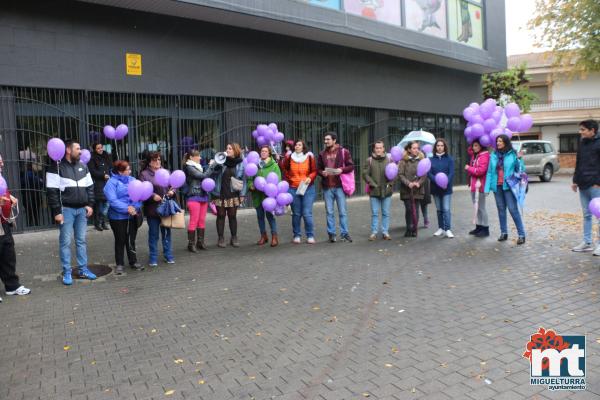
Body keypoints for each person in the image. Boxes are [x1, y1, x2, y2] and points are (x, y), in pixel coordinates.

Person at [46, 139, 97, 285]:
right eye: (78, 148)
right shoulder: (55, 167)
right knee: (65, 242)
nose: (80, 151)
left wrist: (90, 204)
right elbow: (52, 192)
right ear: (68, 150)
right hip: (66, 210)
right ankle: (67, 272)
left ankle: (83, 269)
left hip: (82, 210)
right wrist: (57, 211)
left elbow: (90, 188)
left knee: (81, 241)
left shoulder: (83, 166)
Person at [485, 134, 526, 245]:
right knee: (501, 210)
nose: (498, 143)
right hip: (497, 186)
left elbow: (520, 169)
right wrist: (487, 188)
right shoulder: (493, 155)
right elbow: (489, 172)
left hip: (509, 186)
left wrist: (519, 159)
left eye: (500, 141)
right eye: (497, 141)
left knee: (513, 209)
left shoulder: (512, 154)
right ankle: (504, 233)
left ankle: (521, 234)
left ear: (505, 143)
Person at [0, 154, 31, 302]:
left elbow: (3, 192)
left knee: (8, 254)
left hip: (3, 223)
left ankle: (12, 286)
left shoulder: (1, 177)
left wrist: (10, 197)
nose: (2, 163)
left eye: (1, 159)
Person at [103, 160, 143, 275]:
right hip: (117, 217)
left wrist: (134, 207)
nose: (130, 171)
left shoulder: (133, 180)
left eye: (129, 169)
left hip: (132, 215)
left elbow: (139, 196)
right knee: (120, 240)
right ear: (120, 171)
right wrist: (127, 208)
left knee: (131, 239)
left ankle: (133, 261)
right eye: (127, 169)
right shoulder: (111, 183)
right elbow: (113, 200)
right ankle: (119, 264)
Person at [139, 152, 176, 266]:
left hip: (165, 208)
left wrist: (172, 191)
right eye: (155, 160)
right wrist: (152, 195)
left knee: (166, 233)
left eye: (159, 159)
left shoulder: (166, 172)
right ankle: (153, 258)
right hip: (153, 209)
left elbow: (173, 185)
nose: (158, 162)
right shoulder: (144, 174)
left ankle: (168, 255)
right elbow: (142, 189)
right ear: (149, 162)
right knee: (153, 234)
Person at [317, 132, 354, 243]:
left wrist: (341, 170)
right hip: (327, 187)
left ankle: (344, 233)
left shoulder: (344, 152)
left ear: (334, 140)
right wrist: (321, 172)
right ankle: (331, 234)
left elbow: (351, 166)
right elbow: (318, 168)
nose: (325, 141)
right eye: (325, 139)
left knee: (342, 212)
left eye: (328, 139)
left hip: (339, 186)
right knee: (329, 212)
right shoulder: (322, 153)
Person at [571, 119, 600, 253]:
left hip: (596, 186)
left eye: (583, 129)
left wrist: (598, 183)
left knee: (599, 216)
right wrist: (575, 180)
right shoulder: (582, 143)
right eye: (580, 129)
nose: (580, 132)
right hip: (582, 184)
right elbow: (579, 162)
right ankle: (587, 242)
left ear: (592, 130)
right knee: (586, 215)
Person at [183, 149, 220, 252]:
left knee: (202, 220)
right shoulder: (189, 167)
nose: (200, 158)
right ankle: (191, 244)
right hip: (194, 196)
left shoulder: (198, 167)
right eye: (198, 156)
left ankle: (200, 242)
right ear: (191, 157)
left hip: (203, 195)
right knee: (194, 220)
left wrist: (211, 167)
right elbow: (203, 176)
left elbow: (206, 175)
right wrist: (212, 165)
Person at [282, 140, 317, 244]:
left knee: (307, 213)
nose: (297, 146)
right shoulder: (289, 157)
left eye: (299, 145)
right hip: (293, 188)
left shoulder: (309, 157)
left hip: (308, 188)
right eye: (296, 145)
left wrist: (310, 178)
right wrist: (290, 179)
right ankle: (296, 235)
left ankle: (310, 235)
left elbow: (314, 171)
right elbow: (285, 169)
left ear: (303, 147)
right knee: (296, 214)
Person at [211, 143, 246, 248]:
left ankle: (234, 237)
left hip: (233, 193)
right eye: (227, 148)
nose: (227, 150)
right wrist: (216, 163)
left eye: (230, 148)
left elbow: (243, 179)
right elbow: (213, 173)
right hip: (220, 193)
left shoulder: (240, 163)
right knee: (220, 215)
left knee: (232, 216)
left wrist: (242, 194)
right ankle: (221, 238)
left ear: (235, 151)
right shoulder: (221, 161)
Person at [249, 146, 281, 247]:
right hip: (258, 194)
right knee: (260, 216)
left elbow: (278, 179)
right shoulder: (255, 164)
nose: (263, 153)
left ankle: (274, 236)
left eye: (265, 151)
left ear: (269, 153)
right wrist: (251, 185)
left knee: (270, 216)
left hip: (269, 196)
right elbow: (250, 177)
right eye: (262, 151)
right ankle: (263, 236)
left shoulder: (274, 165)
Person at [362, 140, 394, 241]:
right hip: (374, 191)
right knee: (375, 213)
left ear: (383, 148)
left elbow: (394, 173)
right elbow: (365, 174)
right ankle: (374, 233)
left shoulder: (389, 159)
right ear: (374, 149)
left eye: (380, 148)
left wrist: (390, 184)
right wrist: (372, 184)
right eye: (377, 148)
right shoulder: (369, 160)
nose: (378, 150)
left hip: (387, 191)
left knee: (385, 213)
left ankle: (385, 232)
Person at [398, 141, 426, 237]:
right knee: (409, 209)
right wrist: (408, 183)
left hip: (418, 189)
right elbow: (400, 175)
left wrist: (418, 183)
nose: (416, 150)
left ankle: (414, 229)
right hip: (406, 189)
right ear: (409, 149)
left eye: (417, 148)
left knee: (416, 210)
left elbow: (424, 174)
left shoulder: (422, 160)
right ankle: (408, 228)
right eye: (414, 148)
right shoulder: (403, 161)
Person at [428, 139, 455, 238]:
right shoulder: (431, 160)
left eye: (442, 145)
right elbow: (429, 173)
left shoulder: (449, 159)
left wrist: (445, 181)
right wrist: (436, 180)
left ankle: (448, 229)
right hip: (435, 188)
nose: (440, 147)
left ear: (444, 147)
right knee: (439, 209)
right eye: (438, 145)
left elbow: (451, 172)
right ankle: (441, 228)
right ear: (435, 147)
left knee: (446, 209)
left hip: (446, 189)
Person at [465, 139, 490, 237]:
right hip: (474, 186)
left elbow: (480, 171)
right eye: (473, 146)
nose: (473, 148)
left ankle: (485, 228)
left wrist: (468, 168)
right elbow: (469, 150)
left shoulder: (484, 156)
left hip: (480, 186)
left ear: (481, 146)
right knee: (477, 208)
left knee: (481, 208)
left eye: (476, 146)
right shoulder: (476, 155)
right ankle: (479, 227)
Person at [88, 143, 111, 231]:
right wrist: (102, 175)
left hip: (107, 183)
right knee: (99, 205)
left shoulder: (106, 156)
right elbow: (92, 171)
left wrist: (108, 175)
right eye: (98, 148)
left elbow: (109, 168)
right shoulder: (92, 159)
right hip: (98, 184)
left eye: (101, 147)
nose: (100, 149)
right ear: (94, 149)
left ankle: (103, 222)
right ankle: (98, 223)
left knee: (107, 204)